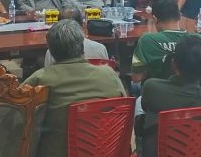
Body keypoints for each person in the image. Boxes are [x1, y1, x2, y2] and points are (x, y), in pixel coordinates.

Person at [23, 20, 126, 157]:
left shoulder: (40, 79)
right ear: (82, 46)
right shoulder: (109, 74)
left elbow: (16, 115)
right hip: (105, 151)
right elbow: (124, 111)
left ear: (51, 50)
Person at [138, 35, 201, 157]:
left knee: (139, 103)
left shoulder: (152, 87)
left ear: (173, 64)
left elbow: (145, 107)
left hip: (158, 152)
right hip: (197, 153)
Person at [131, 0, 201, 87]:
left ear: (155, 19)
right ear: (179, 16)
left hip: (159, 93)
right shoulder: (199, 40)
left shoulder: (148, 40)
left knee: (134, 85)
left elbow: (136, 78)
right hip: (195, 92)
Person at [43, 10, 108, 67]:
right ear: (83, 25)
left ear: (57, 25)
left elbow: (48, 72)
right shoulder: (100, 48)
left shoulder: (51, 51)